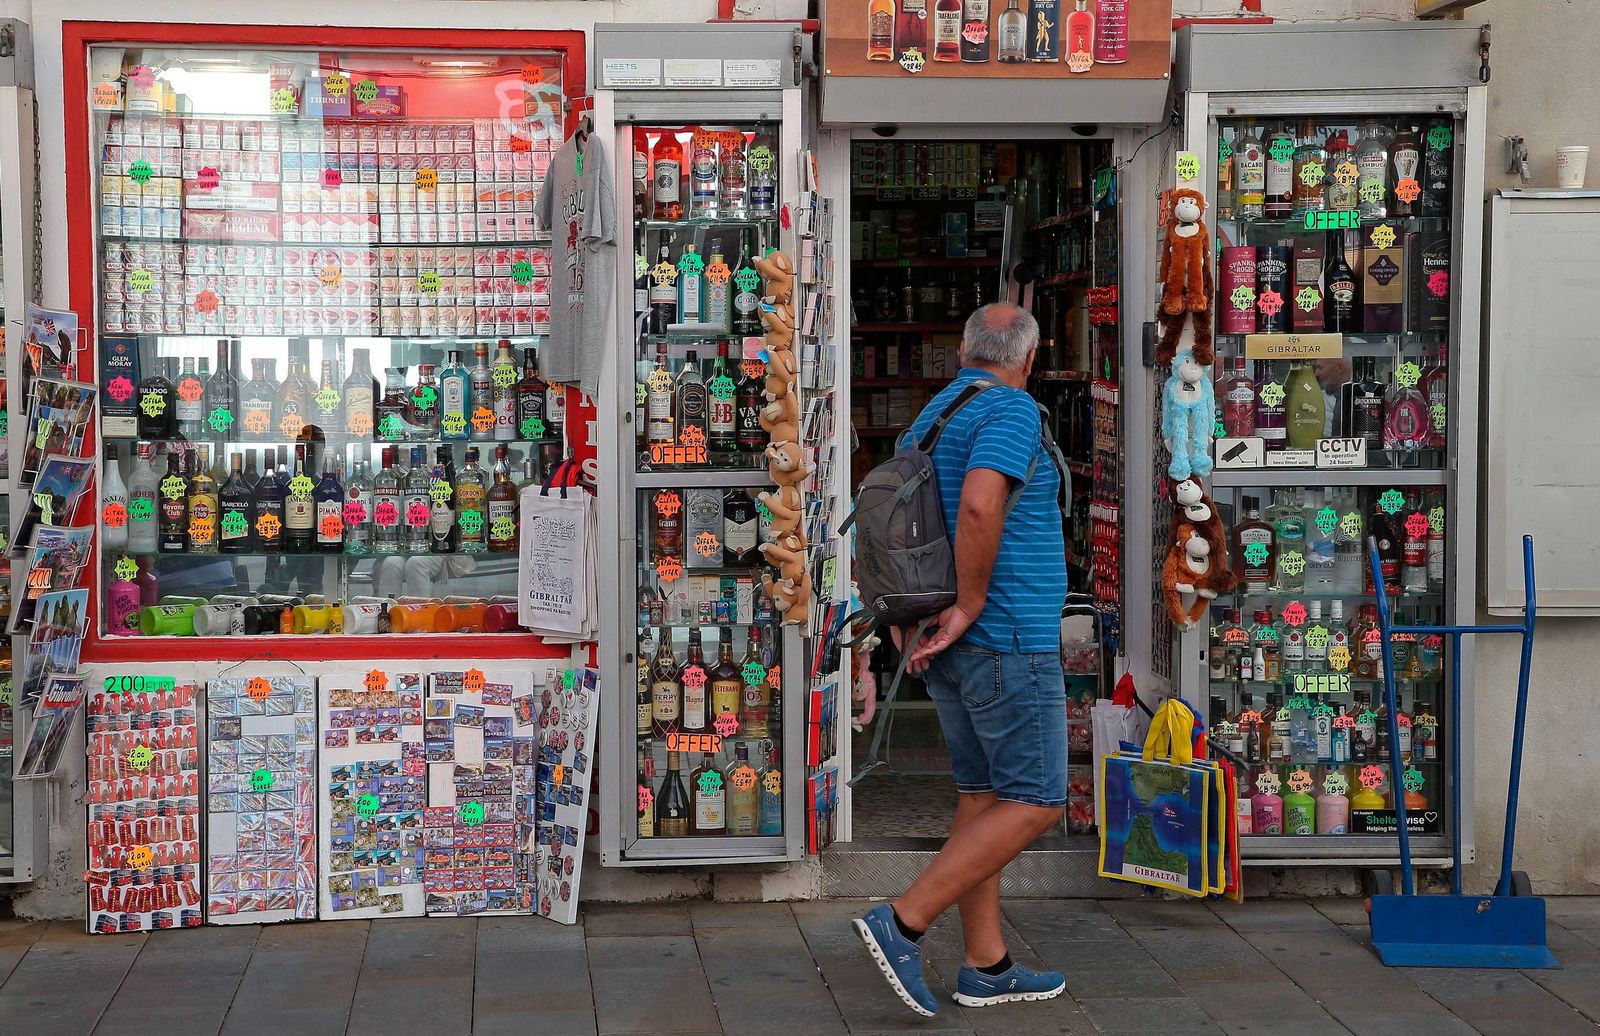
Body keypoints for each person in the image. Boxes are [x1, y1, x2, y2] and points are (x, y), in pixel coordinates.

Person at [854, 303, 1069, 1015]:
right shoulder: (1010, 411)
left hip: (941, 640)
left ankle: (988, 964)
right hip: (1003, 635)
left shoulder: (936, 413)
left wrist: (905, 617)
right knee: (1036, 801)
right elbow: (980, 506)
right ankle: (904, 921)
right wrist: (972, 604)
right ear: (1028, 359)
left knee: (981, 798)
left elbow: (891, 516)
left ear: (964, 352)